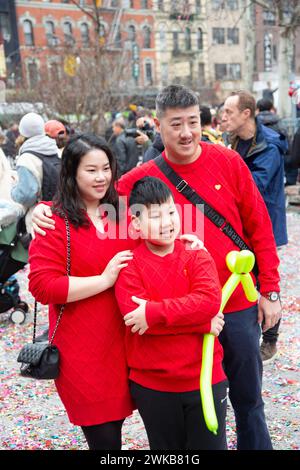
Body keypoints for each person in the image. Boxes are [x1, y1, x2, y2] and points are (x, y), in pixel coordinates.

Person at [31, 85, 280, 450]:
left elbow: (260, 227)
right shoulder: (140, 180)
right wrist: (43, 209)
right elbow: (93, 192)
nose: (186, 132)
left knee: (248, 401)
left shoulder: (228, 162)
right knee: (196, 407)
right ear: (158, 129)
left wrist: (270, 290)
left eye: (193, 122)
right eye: (175, 124)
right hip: (183, 315)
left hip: (236, 302)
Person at [28, 134, 135, 450]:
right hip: (83, 350)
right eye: (91, 170)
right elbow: (43, 286)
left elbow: (156, 240)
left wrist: (187, 242)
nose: (102, 177)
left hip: (128, 344)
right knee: (103, 439)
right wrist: (104, 280)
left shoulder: (121, 211)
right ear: (71, 172)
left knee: (119, 426)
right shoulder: (53, 218)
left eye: (106, 168)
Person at [115, 176, 227, 450]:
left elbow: (209, 302)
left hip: (204, 378)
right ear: (136, 224)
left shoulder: (195, 254)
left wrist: (153, 314)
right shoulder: (129, 265)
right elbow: (135, 319)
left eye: (171, 212)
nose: (167, 222)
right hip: (153, 385)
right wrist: (200, 324)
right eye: (155, 216)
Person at [222, 90, 287, 363]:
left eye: (229, 113)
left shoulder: (269, 145)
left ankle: (269, 340)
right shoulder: (234, 141)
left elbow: (255, 186)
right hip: (241, 225)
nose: (222, 118)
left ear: (246, 114)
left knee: (266, 283)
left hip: (266, 225)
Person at [11, 112, 61, 234]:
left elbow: (26, 196)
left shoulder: (26, 158)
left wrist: (14, 189)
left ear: (22, 131)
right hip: (60, 213)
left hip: (38, 220)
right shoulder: (55, 151)